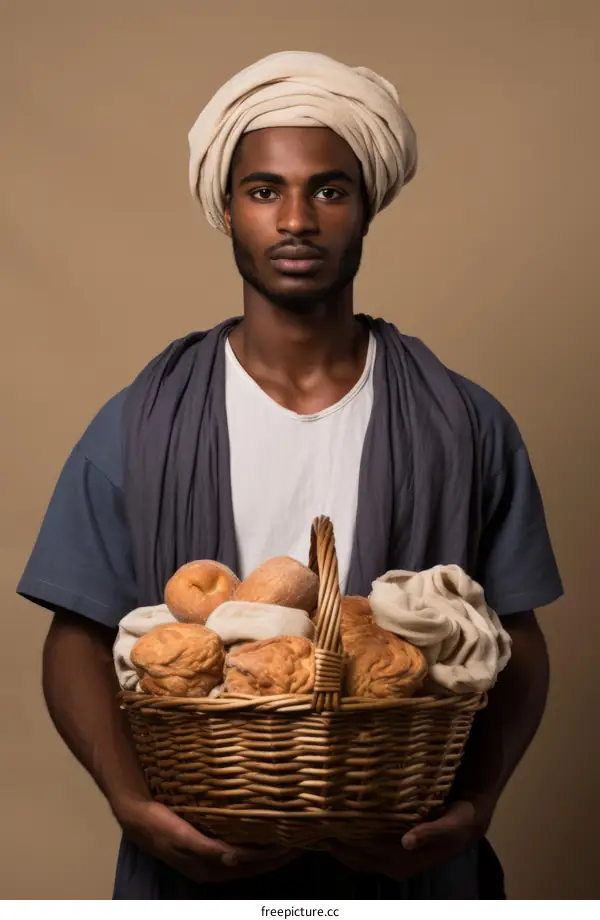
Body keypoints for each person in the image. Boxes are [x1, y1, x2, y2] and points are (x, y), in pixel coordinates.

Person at [17, 50, 563, 900]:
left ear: (366, 208)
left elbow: (517, 638)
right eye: (265, 190)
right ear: (228, 212)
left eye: (330, 189)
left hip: (406, 864)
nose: (297, 218)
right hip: (196, 865)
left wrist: (478, 802)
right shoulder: (142, 421)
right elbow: (76, 637)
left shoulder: (464, 422)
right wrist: (130, 802)